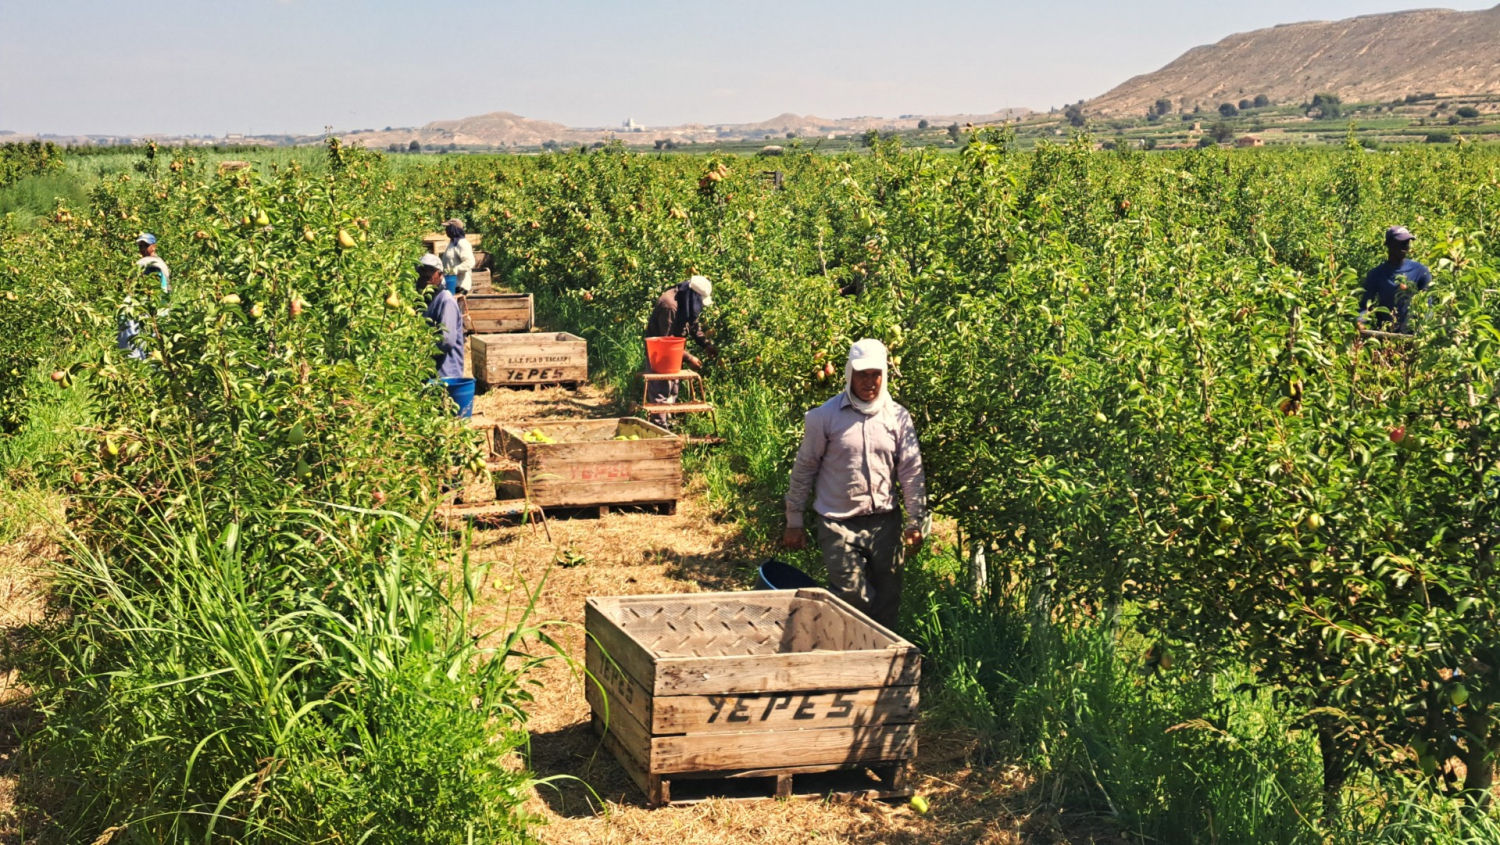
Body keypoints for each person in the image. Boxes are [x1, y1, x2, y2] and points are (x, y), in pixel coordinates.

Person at [783, 338, 928, 631]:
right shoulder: (824, 417)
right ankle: (846, 649)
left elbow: (911, 471)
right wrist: (794, 519)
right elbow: (805, 467)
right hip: (838, 522)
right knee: (853, 595)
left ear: (884, 375)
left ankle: (879, 663)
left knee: (888, 599)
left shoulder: (897, 417)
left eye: (875, 374)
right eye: (862, 374)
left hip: (885, 523)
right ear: (849, 373)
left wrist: (916, 520)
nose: (869, 381)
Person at [644, 275, 715, 426]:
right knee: (661, 390)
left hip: (673, 352)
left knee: (673, 388)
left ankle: (666, 423)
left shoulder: (686, 300)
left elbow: (693, 324)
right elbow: (665, 342)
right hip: (658, 353)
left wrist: (706, 344)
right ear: (694, 296)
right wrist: (689, 358)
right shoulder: (670, 306)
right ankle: (659, 429)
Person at [1359, 225, 1432, 334]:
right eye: (1401, 242)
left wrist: (1424, 331)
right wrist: (1360, 322)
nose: (1406, 246)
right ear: (1389, 245)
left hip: (1413, 336)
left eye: (1407, 242)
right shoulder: (1376, 274)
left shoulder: (1421, 271)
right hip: (1385, 335)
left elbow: (1428, 306)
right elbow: (1365, 306)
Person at [417, 255, 464, 378]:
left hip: (446, 375)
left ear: (440, 275)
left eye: (431, 271)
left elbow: (446, 341)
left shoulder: (445, 301)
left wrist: (420, 350)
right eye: (422, 271)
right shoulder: (424, 301)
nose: (426, 275)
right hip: (429, 373)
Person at [440, 219, 475, 297]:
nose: (446, 230)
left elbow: (469, 262)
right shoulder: (452, 243)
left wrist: (454, 270)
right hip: (451, 283)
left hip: (459, 286)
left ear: (454, 229)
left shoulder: (462, 243)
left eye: (448, 228)